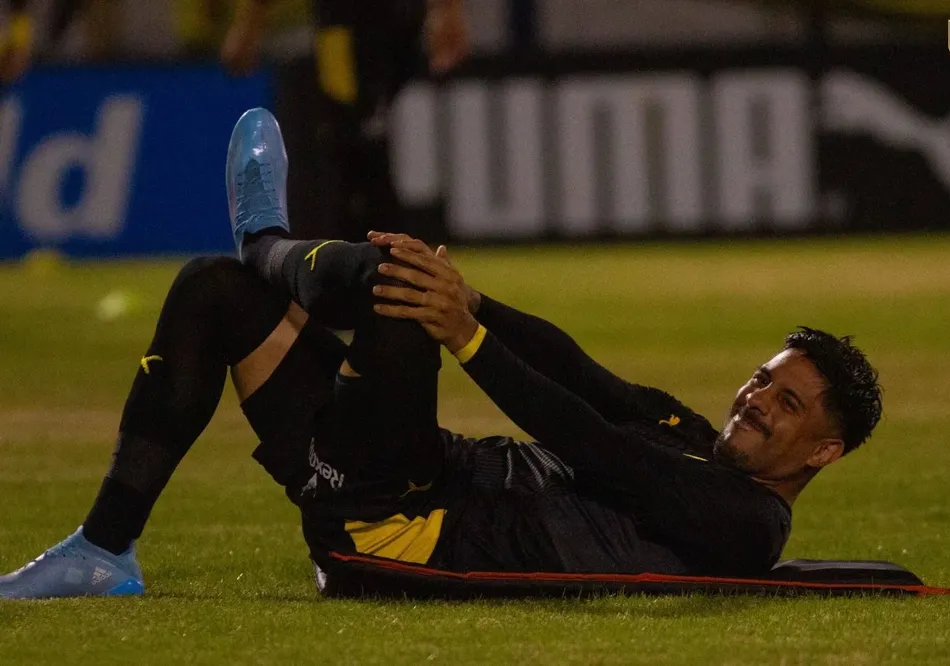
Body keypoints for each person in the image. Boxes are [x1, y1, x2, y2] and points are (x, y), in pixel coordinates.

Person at [0, 108, 883, 599]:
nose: (758, 399)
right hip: (409, 475)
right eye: (766, 379)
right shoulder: (692, 429)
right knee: (210, 294)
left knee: (390, 277)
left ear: (824, 452)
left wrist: (464, 334)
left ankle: (267, 240)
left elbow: (595, 444)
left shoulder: (750, 526)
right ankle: (104, 551)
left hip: (405, 529)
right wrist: (478, 303)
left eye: (789, 403)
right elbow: (582, 376)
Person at [221, 0, 468, 241]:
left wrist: (445, 10)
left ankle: (364, 248)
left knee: (362, 140)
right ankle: (363, 247)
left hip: (387, 23)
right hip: (347, 23)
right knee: (349, 140)